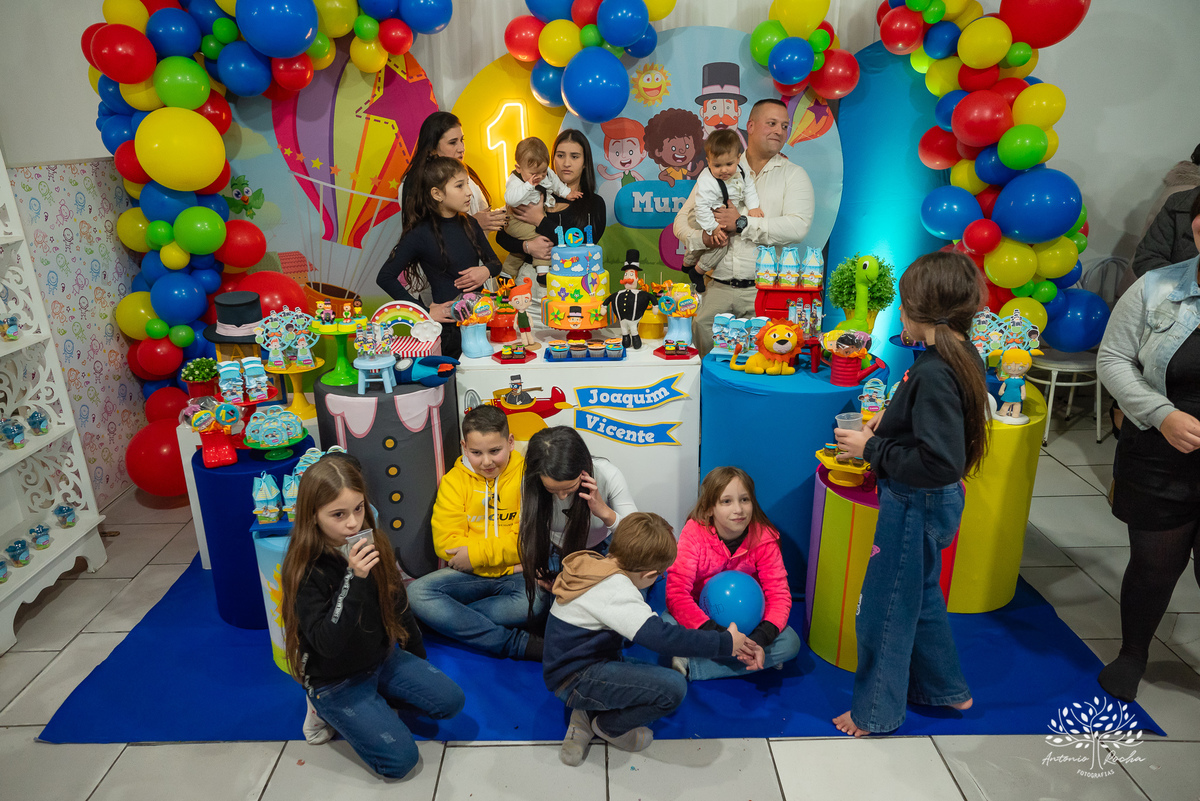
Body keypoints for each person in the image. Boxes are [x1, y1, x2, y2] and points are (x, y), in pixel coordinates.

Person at [831, 251, 989, 737]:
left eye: (904, 305)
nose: (900, 313)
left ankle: (874, 713)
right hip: (930, 502)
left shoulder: (935, 371)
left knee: (884, 610)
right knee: (919, 596)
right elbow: (933, 425)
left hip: (914, 504)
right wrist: (892, 417)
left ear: (923, 312)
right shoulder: (956, 354)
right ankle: (946, 688)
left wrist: (871, 448)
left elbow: (938, 461)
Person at [281, 455, 464, 779]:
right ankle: (321, 709)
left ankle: (377, 700)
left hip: (381, 658)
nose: (353, 523)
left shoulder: (372, 540)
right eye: (338, 514)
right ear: (313, 517)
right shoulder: (305, 569)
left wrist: (418, 661)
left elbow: (398, 604)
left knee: (451, 701)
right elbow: (327, 644)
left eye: (358, 508)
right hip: (334, 679)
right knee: (400, 762)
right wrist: (354, 579)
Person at [543, 512, 754, 766]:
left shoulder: (597, 564)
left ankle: (585, 714)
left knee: (645, 665)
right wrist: (725, 643)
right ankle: (609, 726)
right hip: (574, 679)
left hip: (576, 664)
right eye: (660, 576)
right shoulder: (614, 590)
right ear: (649, 574)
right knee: (673, 688)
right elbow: (664, 638)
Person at [1095, 200, 1200, 702]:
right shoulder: (1156, 287)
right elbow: (1114, 358)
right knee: (1153, 564)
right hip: (1160, 451)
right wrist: (1162, 414)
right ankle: (1133, 652)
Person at [673, 99, 815, 356]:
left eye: (784, 126)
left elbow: (798, 227)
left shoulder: (794, 175)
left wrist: (742, 223)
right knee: (706, 352)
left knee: (761, 362)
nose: (779, 131)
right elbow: (681, 222)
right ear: (750, 126)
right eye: (771, 123)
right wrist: (705, 238)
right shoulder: (719, 169)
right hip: (717, 287)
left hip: (763, 291)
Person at [406, 405, 545, 660]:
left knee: (535, 602)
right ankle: (514, 643)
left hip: (513, 577)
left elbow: (528, 541)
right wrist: (512, 561)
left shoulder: (529, 477)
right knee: (417, 593)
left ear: (510, 442)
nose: (487, 461)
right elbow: (447, 545)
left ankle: (442, 622)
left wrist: (475, 555)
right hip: (477, 574)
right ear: (464, 446)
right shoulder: (453, 481)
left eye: (495, 451)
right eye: (476, 453)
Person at [665, 466, 801, 680]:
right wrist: (721, 638)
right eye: (726, 501)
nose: (738, 509)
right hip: (704, 621)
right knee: (667, 624)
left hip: (749, 625)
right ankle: (751, 658)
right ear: (709, 509)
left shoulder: (764, 538)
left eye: (744, 500)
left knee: (790, 643)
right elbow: (677, 594)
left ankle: (695, 665)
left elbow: (779, 595)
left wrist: (758, 640)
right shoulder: (694, 533)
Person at [376, 157, 503, 358]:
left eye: (467, 184)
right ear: (437, 194)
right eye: (459, 186)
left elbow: (495, 263)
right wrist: (423, 311)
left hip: (480, 324)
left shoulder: (470, 224)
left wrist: (485, 271)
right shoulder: (420, 233)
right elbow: (385, 277)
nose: (469, 192)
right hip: (448, 333)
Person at [518, 426, 638, 610]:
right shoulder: (532, 483)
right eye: (552, 490)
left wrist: (604, 512)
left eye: (569, 488)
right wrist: (535, 570)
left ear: (583, 470)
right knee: (541, 607)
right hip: (554, 553)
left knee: (613, 605)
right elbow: (527, 530)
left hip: (602, 552)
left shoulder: (608, 474)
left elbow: (637, 537)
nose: (561, 497)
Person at [496, 130, 607, 288]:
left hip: (573, 285)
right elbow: (502, 236)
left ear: (585, 162)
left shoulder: (594, 203)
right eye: (560, 155)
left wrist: (539, 220)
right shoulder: (533, 192)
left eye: (574, 156)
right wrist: (527, 247)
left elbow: (581, 245)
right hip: (528, 284)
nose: (566, 163)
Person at [400, 111, 505, 234]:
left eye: (462, 140)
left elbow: (481, 215)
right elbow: (425, 235)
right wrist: (473, 223)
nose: (461, 148)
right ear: (433, 148)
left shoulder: (465, 172)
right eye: (452, 142)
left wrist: (509, 211)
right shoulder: (415, 184)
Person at [683, 129, 765, 280]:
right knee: (719, 242)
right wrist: (713, 227)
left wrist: (753, 206)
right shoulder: (707, 181)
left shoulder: (742, 170)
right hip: (702, 216)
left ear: (738, 159)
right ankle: (695, 269)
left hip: (718, 215)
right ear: (708, 162)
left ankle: (691, 266)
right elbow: (701, 208)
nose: (724, 170)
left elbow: (749, 188)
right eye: (717, 165)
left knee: (717, 242)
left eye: (729, 164)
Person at [500, 137, 582, 278]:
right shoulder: (516, 181)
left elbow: (556, 183)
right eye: (560, 156)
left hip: (568, 275)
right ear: (519, 168)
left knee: (533, 241)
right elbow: (510, 200)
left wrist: (567, 193)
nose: (539, 177)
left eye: (543, 172)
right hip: (515, 218)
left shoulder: (546, 174)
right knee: (541, 238)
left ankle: (507, 272)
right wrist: (528, 185)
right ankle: (542, 272)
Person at [604, 249, 656, 349]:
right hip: (622, 319)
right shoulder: (619, 293)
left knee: (633, 329)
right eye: (626, 274)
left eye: (631, 274)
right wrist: (604, 306)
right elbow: (609, 298)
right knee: (624, 330)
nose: (628, 278)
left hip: (633, 319)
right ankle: (626, 342)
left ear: (637, 278)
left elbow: (651, 297)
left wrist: (655, 305)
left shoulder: (640, 293)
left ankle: (636, 342)